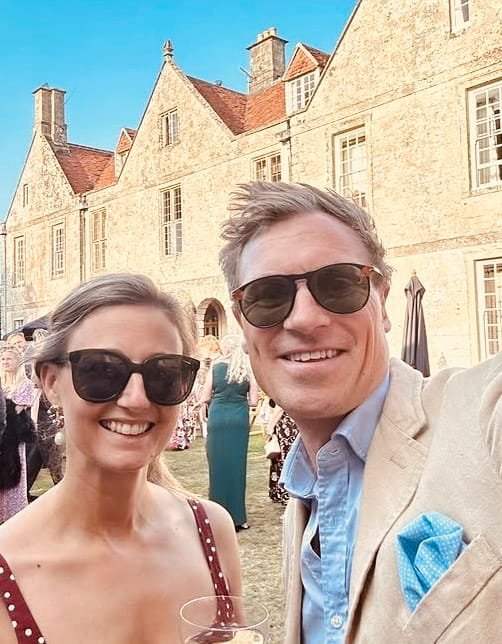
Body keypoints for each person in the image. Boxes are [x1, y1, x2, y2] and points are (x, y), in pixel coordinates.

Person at [219, 181, 502, 642]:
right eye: (267, 296)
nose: (305, 319)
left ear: (382, 302)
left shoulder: (478, 415)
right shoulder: (301, 505)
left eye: (339, 284)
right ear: (243, 326)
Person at [0, 274, 241, 643]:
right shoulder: (9, 567)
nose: (136, 399)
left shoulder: (211, 532)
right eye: (102, 370)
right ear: (50, 382)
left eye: (164, 373)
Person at [199, 334, 258, 531]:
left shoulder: (216, 368)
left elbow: (205, 396)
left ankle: (217, 516)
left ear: (224, 349)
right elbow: (254, 401)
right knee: (237, 467)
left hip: (218, 418)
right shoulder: (247, 370)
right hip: (238, 419)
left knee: (217, 468)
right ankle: (239, 517)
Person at [0, 346, 36, 522]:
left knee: (13, 474)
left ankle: (14, 515)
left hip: (12, 438)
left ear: (18, 361)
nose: (5, 362)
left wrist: (5, 402)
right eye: (3, 359)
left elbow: (15, 410)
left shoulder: (25, 384)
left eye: (9, 358)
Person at [265, 404, 298, 505]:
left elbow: (280, 407)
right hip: (294, 424)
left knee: (283, 459)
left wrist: (270, 427)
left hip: (285, 426)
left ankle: (284, 492)